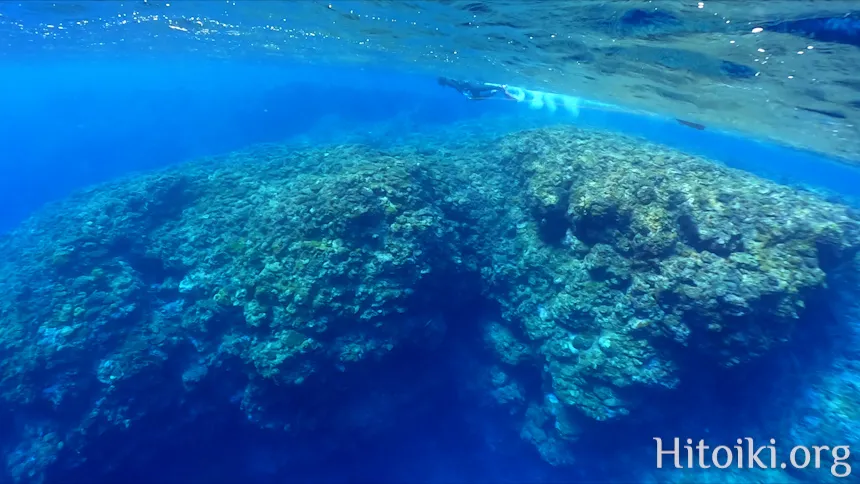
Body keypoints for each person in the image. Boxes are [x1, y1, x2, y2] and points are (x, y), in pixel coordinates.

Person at [437, 77, 517, 101]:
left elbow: (457, 87)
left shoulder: (448, 81)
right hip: (470, 88)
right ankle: (496, 91)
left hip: (471, 87)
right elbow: (458, 87)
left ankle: (500, 88)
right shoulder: (448, 81)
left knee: (480, 92)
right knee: (476, 97)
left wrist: (464, 93)